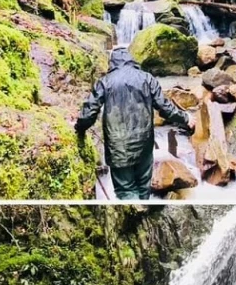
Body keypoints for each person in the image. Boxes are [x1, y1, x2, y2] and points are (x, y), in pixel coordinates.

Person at [75, 47, 194, 200]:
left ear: (112, 62)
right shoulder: (147, 78)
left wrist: (80, 128)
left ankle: (135, 218)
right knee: (143, 188)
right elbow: (165, 108)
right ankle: (143, 213)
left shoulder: (105, 82)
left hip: (117, 148)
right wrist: (186, 118)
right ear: (131, 60)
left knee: (125, 191)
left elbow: (90, 111)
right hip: (144, 146)